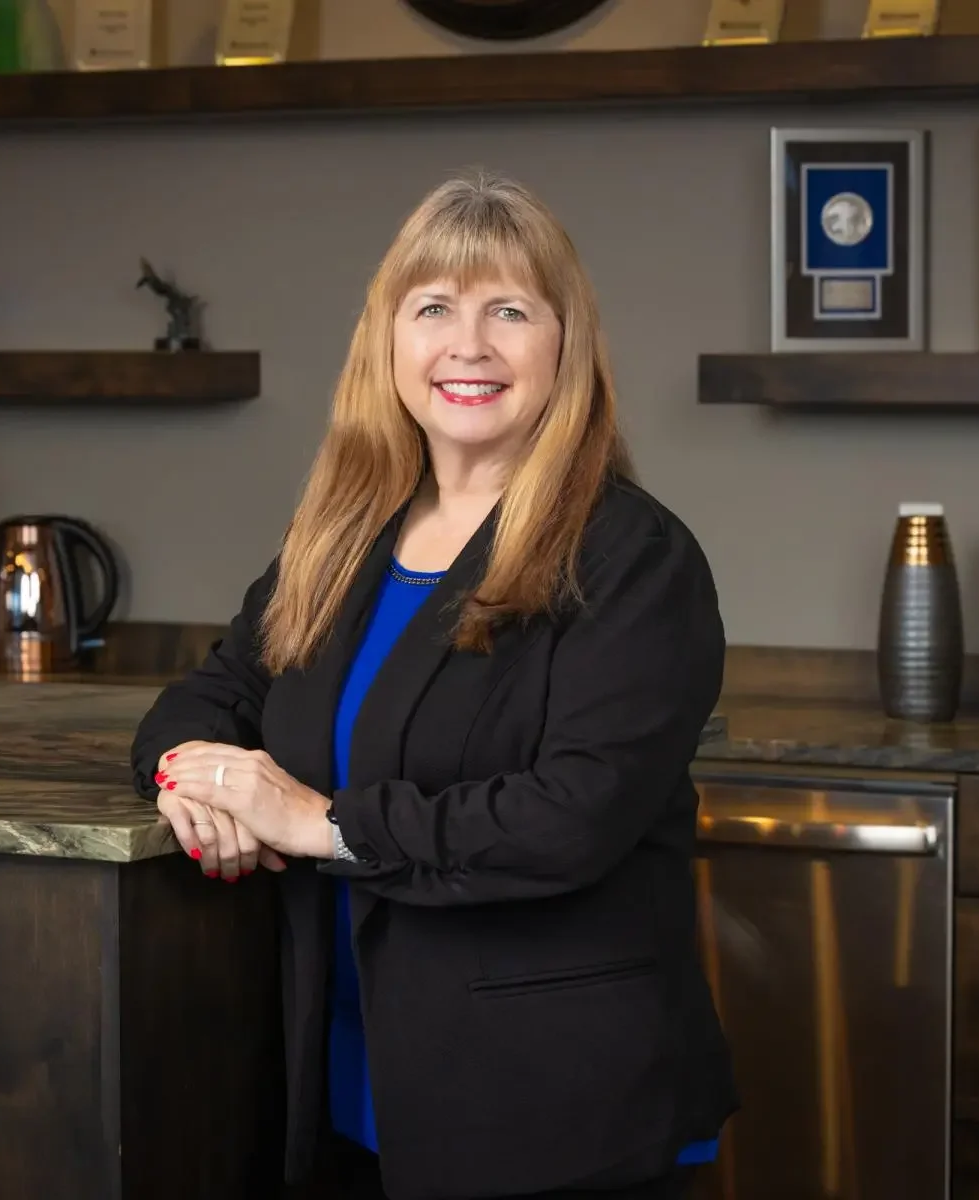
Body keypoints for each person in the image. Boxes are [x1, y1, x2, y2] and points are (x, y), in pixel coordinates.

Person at [130, 171, 737, 1200]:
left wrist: (321, 824)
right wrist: (193, 778)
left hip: (550, 1111)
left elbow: (572, 816)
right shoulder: (343, 536)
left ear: (563, 343)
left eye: (508, 310)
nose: (469, 345)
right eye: (433, 310)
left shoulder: (633, 556)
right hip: (353, 1090)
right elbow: (209, 694)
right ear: (388, 342)